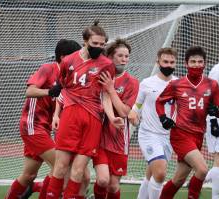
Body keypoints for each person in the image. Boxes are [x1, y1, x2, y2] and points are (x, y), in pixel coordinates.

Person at [46, 21, 124, 199]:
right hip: (71, 116)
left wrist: (111, 118)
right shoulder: (68, 61)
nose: (99, 47)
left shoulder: (106, 65)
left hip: (93, 120)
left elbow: (105, 95)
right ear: (85, 41)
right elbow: (63, 89)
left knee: (79, 170)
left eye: (102, 44)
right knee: (60, 166)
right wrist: (56, 115)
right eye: (95, 43)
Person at [4, 39, 82, 199]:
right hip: (32, 126)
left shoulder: (69, 77)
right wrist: (49, 92)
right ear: (63, 57)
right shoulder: (48, 68)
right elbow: (30, 91)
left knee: (28, 175)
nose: (78, 61)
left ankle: (33, 188)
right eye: (75, 56)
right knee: (61, 166)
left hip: (44, 129)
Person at [156, 46, 219, 199]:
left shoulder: (212, 85)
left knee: (178, 179)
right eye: (193, 62)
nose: (197, 65)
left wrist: (216, 111)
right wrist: (163, 118)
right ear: (186, 64)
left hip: (198, 135)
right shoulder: (176, 84)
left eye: (200, 62)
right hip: (181, 134)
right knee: (202, 169)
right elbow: (159, 102)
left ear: (205, 64)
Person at [91, 38, 139, 199]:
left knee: (112, 186)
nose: (124, 59)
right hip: (99, 137)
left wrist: (111, 90)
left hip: (118, 139)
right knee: (103, 180)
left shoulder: (132, 83)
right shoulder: (99, 77)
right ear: (110, 57)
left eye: (126, 56)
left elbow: (124, 112)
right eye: (120, 56)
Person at [128, 48, 178, 199]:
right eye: (165, 61)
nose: (168, 65)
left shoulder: (179, 84)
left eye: (171, 62)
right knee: (160, 173)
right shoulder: (147, 83)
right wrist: (133, 116)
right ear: (158, 62)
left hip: (169, 137)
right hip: (149, 134)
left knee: (151, 174)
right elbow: (136, 107)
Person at [205, 41, 219, 199]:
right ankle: (215, 196)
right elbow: (208, 95)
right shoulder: (218, 70)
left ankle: (201, 179)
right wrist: (212, 121)